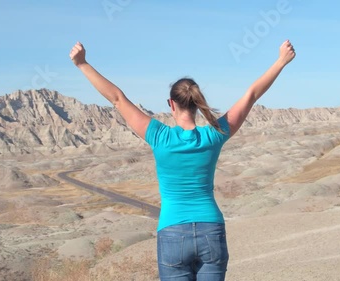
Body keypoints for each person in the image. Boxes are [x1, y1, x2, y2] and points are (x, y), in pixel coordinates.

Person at [69, 40, 296, 281]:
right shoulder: (214, 134)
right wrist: (281, 61)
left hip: (172, 232)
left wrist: (82, 64)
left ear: (171, 104)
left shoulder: (159, 136)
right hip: (211, 229)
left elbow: (117, 99)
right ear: (197, 104)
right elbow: (251, 95)